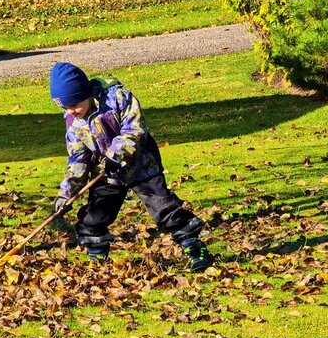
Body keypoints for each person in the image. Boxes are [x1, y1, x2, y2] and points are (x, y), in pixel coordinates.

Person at [49, 62, 214, 273]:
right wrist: (66, 194)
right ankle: (97, 260)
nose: (71, 110)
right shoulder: (73, 121)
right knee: (94, 217)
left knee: (164, 208)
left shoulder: (118, 99)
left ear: (87, 93)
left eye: (74, 104)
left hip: (141, 166)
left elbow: (135, 129)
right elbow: (78, 158)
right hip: (107, 175)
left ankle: (195, 248)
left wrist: (115, 155)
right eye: (65, 107)